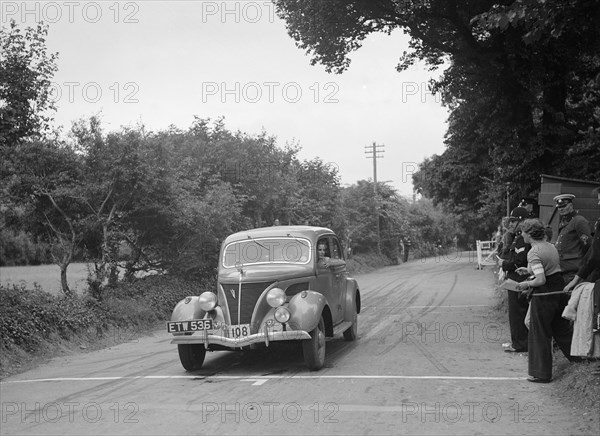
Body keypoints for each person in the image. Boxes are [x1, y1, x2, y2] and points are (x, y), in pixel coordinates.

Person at [516, 219, 576, 383]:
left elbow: (541, 279)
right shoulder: (551, 246)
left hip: (544, 295)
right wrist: (527, 271)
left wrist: (525, 283)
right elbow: (547, 268)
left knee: (539, 333)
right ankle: (579, 359)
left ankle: (541, 373)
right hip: (558, 290)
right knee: (562, 330)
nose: (521, 235)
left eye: (523, 232)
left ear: (529, 234)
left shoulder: (533, 252)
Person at [564, 187, 600, 332]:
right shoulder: (566, 223)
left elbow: (592, 251)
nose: (598, 203)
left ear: (571, 205)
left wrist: (577, 279)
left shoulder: (579, 221)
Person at [501, 207, 531, 352]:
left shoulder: (521, 239)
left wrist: (504, 264)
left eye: (513, 221)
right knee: (516, 312)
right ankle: (518, 342)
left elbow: (520, 262)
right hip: (515, 279)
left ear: (522, 221)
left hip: (519, 279)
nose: (511, 224)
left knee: (518, 312)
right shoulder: (518, 238)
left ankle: (520, 344)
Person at [554, 194, 592, 284]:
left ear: (571, 205)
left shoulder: (579, 221)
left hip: (574, 271)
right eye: (559, 207)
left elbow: (588, 246)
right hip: (564, 270)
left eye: (564, 206)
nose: (561, 209)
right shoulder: (564, 222)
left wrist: (583, 268)